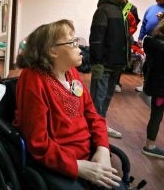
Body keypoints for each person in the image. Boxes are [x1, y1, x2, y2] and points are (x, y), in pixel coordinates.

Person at [13, 19, 123, 189]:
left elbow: (93, 116)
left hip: (88, 155)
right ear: (52, 51)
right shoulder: (33, 80)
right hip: (58, 162)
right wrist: (78, 167)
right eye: (72, 42)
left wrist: (103, 149)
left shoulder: (71, 73)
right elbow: (38, 143)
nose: (80, 48)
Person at [89, 0, 134, 138]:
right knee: (97, 98)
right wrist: (97, 61)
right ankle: (93, 130)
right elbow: (96, 38)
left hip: (117, 63)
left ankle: (100, 125)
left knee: (107, 96)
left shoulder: (123, 10)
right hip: (104, 63)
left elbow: (125, 36)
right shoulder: (104, 10)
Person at [141, 20, 164, 159]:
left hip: (157, 87)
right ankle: (150, 146)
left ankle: (150, 145)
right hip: (161, 89)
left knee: (156, 115)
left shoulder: (153, 42)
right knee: (156, 116)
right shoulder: (161, 47)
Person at [135, 0, 164, 92]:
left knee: (159, 66)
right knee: (147, 65)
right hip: (150, 41)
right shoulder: (150, 8)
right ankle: (146, 85)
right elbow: (144, 24)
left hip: (161, 43)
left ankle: (157, 89)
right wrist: (140, 38)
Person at [115, 2, 140, 93]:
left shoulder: (131, 8)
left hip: (125, 39)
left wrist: (126, 35)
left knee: (120, 62)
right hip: (111, 39)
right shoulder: (110, 6)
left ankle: (116, 82)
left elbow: (134, 24)